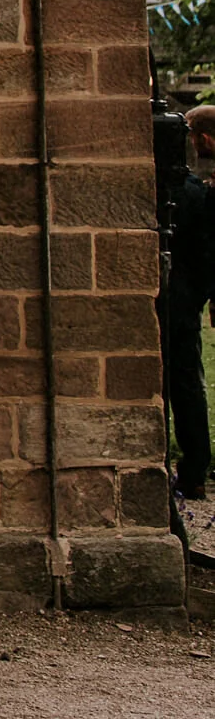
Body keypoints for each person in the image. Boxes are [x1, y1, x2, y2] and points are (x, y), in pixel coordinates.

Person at [170, 103, 215, 502]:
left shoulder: (188, 193)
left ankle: (194, 466)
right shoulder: (198, 192)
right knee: (188, 382)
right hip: (188, 296)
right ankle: (195, 467)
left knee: (182, 382)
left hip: (179, 294)